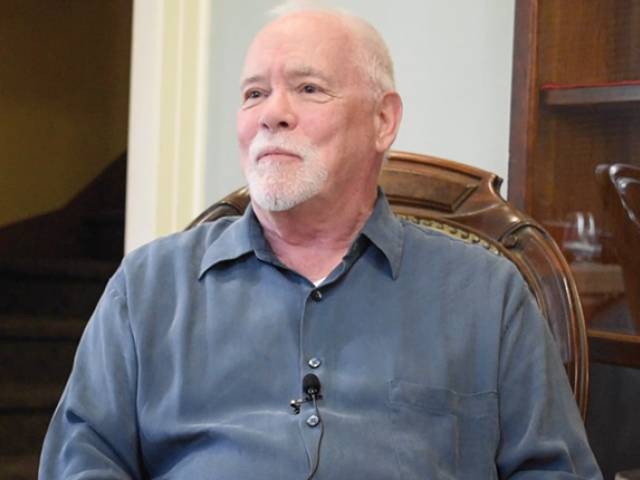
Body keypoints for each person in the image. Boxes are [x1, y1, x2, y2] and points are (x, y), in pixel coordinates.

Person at [40, 7, 603, 479]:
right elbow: (81, 462)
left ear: (383, 120)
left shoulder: (486, 294)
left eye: (309, 89)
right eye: (254, 92)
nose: (272, 114)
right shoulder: (149, 290)